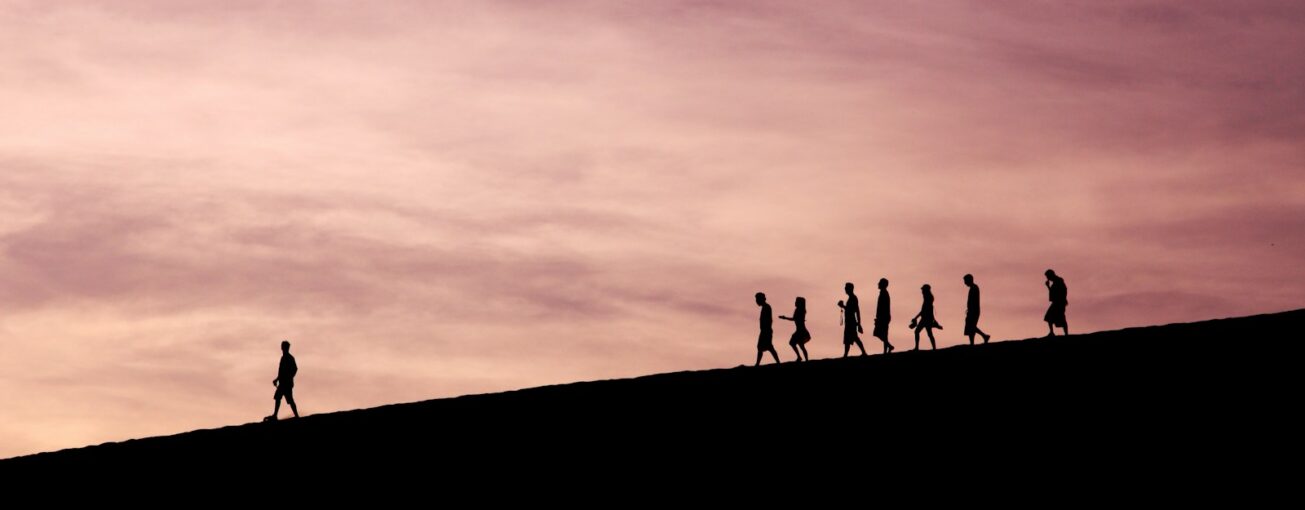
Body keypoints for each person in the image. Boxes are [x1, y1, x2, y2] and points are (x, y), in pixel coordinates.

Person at [267, 340, 299, 421]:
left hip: (286, 383)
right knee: (278, 397)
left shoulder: (289, 358)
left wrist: (289, 377)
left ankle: (296, 416)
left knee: (290, 400)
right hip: (282, 383)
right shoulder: (283, 358)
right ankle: (275, 415)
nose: (282, 348)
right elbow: (281, 372)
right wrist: (277, 379)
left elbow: (295, 369)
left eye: (283, 346)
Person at [838, 282, 868, 357]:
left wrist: (858, 323)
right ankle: (846, 354)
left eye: (846, 287)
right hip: (849, 322)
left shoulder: (853, 298)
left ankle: (863, 352)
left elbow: (854, 310)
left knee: (853, 338)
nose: (845, 289)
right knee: (849, 339)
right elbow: (853, 310)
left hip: (851, 322)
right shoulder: (852, 298)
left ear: (850, 289)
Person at [778, 297, 811, 362]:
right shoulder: (799, 310)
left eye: (796, 301)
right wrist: (785, 318)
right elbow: (794, 319)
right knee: (796, 344)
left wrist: (785, 318)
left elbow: (794, 319)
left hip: (801, 331)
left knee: (799, 345)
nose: (795, 302)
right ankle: (801, 358)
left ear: (799, 303)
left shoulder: (800, 310)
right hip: (799, 331)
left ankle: (804, 359)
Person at [911, 284, 943, 350]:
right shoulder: (928, 298)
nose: (922, 291)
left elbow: (924, 310)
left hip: (926, 319)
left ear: (926, 290)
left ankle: (918, 347)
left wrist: (916, 318)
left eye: (922, 290)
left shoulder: (928, 298)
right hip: (926, 318)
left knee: (919, 332)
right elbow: (925, 310)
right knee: (929, 334)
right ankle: (933, 348)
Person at [963, 274, 991, 345]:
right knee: (971, 328)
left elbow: (974, 301)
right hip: (972, 310)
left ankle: (984, 336)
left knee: (971, 326)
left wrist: (971, 310)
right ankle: (973, 342)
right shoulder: (973, 288)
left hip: (974, 311)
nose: (965, 283)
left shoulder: (974, 288)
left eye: (965, 281)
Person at [755, 292, 781, 366]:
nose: (756, 301)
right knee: (763, 347)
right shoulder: (765, 307)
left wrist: (766, 330)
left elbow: (769, 320)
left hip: (766, 331)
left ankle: (758, 364)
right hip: (765, 330)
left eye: (757, 299)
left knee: (767, 347)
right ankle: (757, 363)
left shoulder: (767, 307)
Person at [1044, 269, 1069, 336]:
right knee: (1049, 317)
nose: (1047, 278)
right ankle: (1052, 332)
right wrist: (1048, 286)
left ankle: (1066, 334)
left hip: (1059, 302)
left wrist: (1063, 299)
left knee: (1061, 318)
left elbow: (1064, 290)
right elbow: (1052, 292)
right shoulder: (1055, 282)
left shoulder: (1059, 281)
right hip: (1056, 302)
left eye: (1047, 276)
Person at [873, 278, 895, 354]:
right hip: (883, 317)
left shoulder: (884, 293)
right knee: (881, 333)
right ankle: (887, 348)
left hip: (883, 317)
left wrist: (879, 318)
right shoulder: (883, 293)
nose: (878, 284)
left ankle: (887, 348)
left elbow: (884, 307)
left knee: (880, 333)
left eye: (879, 282)